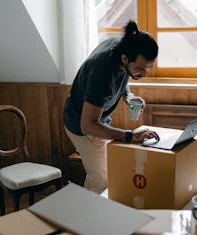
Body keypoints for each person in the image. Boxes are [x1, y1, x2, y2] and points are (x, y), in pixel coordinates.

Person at [63, 20, 159, 194]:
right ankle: (90, 218)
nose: (144, 74)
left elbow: (122, 76)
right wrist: (130, 136)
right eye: (140, 69)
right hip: (82, 127)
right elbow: (88, 125)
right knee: (102, 181)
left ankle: (90, 209)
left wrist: (128, 95)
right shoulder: (102, 74)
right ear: (124, 58)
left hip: (97, 121)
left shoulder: (123, 46)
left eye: (148, 68)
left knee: (99, 173)